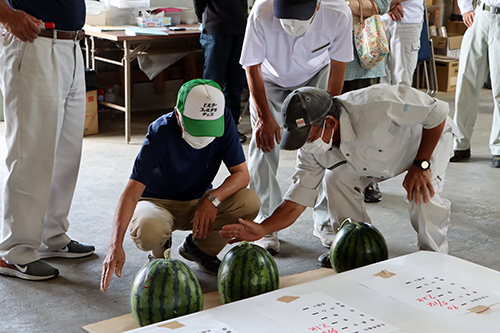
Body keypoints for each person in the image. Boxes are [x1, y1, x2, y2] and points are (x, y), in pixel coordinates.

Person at [220, 84, 456, 266]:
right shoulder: (312, 151)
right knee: (334, 178)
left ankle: (434, 259)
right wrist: (262, 228)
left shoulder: (378, 103)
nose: (307, 145)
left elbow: (437, 113)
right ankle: (356, 248)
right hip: (372, 161)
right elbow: (296, 201)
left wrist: (422, 164)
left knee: (422, 194)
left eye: (310, 137)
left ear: (330, 122)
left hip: (422, 146)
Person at [100, 79, 260, 292]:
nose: (203, 136)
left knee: (249, 202)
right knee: (148, 229)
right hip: (158, 202)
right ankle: (160, 253)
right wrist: (114, 246)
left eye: (208, 128)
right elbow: (131, 192)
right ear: (178, 114)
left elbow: (241, 174)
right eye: (197, 127)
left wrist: (212, 200)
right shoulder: (160, 132)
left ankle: (199, 249)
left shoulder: (225, 119)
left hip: (199, 199)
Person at [240, 0, 353, 253]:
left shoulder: (338, 12)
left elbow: (338, 67)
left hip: (316, 76)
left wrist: (325, 115)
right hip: (269, 79)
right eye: (285, 17)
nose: (291, 25)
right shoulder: (261, 11)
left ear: (317, 6)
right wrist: (265, 118)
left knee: (323, 143)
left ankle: (325, 220)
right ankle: (265, 221)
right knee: (264, 144)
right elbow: (252, 67)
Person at [0, 0, 95, 281]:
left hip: (71, 44)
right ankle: (14, 251)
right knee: (30, 153)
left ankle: (50, 235)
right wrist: (6, 15)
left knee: (67, 153)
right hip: (34, 42)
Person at [342, 0, 391, 203]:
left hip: (364, 54)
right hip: (328, 52)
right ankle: (337, 176)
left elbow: (381, 5)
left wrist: (346, 4)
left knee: (367, 124)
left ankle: (368, 178)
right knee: (333, 122)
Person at [450, 0, 500, 167]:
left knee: (499, 90)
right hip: (481, 16)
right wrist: (465, 8)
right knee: (466, 82)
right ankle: (460, 143)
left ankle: (498, 147)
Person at [194, 0, 249, 143]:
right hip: (216, 28)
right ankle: (208, 128)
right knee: (212, 84)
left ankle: (231, 128)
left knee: (235, 83)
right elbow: (198, 3)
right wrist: (204, 19)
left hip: (240, 28)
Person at [380, 0, 424, 86]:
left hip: (407, 20)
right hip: (378, 19)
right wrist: (386, 5)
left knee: (401, 81)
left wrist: (390, 3)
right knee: (378, 80)